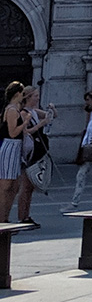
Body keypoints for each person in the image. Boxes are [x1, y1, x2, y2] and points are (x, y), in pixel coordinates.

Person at [17, 87, 56, 227]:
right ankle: (22, 216)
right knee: (26, 186)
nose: (38, 98)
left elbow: (51, 116)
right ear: (28, 97)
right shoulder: (23, 113)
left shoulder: (34, 111)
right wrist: (41, 124)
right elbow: (25, 131)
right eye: (35, 96)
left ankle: (26, 215)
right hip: (28, 152)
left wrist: (52, 110)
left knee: (31, 186)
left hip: (35, 152)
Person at [0, 82, 29, 222]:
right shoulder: (11, 110)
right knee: (6, 185)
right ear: (17, 94)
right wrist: (25, 122)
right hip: (10, 146)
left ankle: (5, 216)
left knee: (14, 185)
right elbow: (12, 133)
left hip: (16, 147)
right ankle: (2, 218)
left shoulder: (16, 109)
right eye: (22, 93)